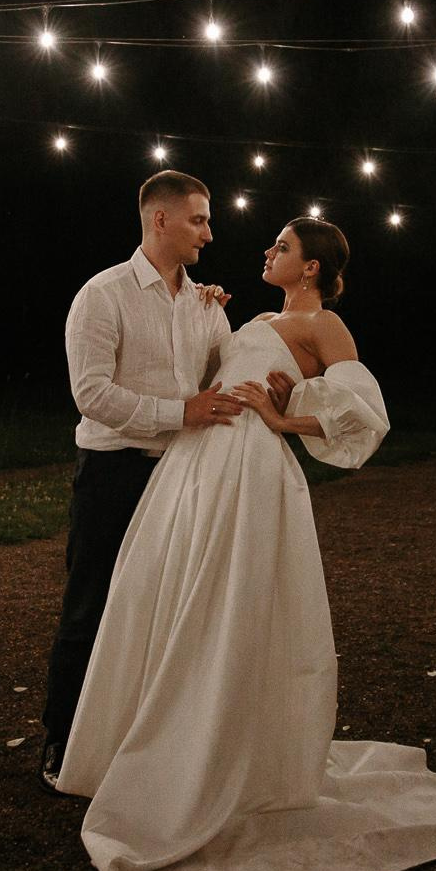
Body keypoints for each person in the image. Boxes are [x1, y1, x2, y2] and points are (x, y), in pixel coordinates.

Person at [54, 216, 436, 871]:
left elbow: (366, 411)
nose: (267, 251)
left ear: (310, 268)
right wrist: (204, 309)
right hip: (194, 463)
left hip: (247, 467)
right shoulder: (249, 315)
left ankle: (218, 755)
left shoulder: (324, 324)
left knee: (228, 604)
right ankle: (154, 742)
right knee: (167, 593)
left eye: (282, 247)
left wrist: (286, 420)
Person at [38, 170, 261, 795]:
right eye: (198, 220)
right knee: (91, 607)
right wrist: (179, 412)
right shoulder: (102, 295)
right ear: (158, 220)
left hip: (183, 477)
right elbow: (91, 394)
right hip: (113, 474)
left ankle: (140, 741)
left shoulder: (205, 304)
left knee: (163, 611)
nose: (209, 233)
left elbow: (222, 375)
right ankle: (61, 740)